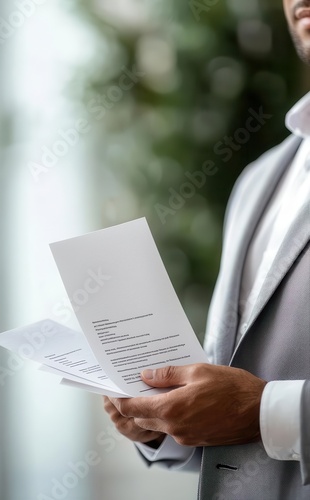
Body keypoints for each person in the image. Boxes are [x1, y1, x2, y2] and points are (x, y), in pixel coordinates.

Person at [103, 1, 310, 498]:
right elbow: (235, 386)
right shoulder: (260, 179)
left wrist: (265, 411)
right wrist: (165, 421)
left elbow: (253, 409)